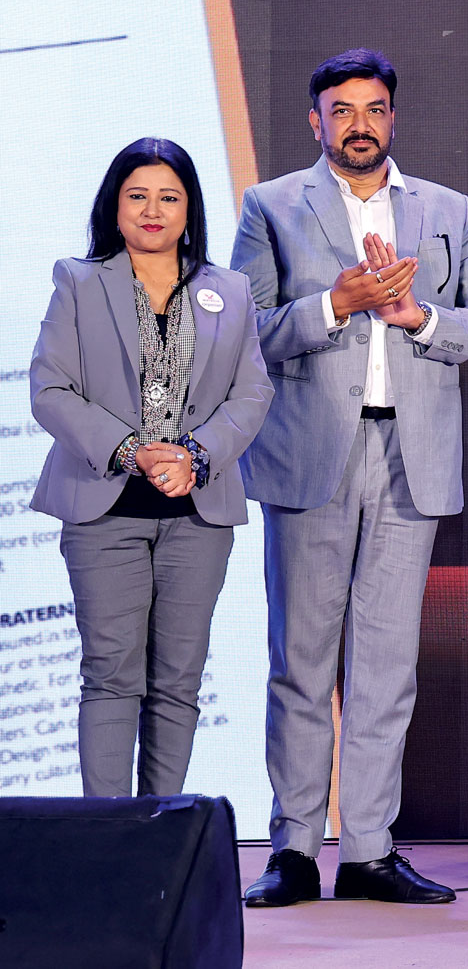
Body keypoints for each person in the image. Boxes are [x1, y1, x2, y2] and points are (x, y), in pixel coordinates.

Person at [233, 48, 468, 906]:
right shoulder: (271, 205)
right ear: (315, 121)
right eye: (343, 110)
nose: (360, 124)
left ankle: (367, 849)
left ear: (393, 117)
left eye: (375, 109)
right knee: (301, 661)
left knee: (388, 665)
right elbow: (242, 330)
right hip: (310, 453)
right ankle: (292, 848)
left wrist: (418, 315)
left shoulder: (445, 208)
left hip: (411, 456)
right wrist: (339, 304)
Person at [30, 138, 272, 798]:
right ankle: (109, 838)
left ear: (190, 209)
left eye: (169, 197)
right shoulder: (79, 281)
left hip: (198, 514)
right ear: (114, 205)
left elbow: (253, 392)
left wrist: (196, 455)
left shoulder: (229, 289)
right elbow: (50, 390)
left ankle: (158, 833)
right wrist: (130, 450)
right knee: (111, 674)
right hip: (103, 508)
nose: (153, 210)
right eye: (137, 196)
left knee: (178, 681)